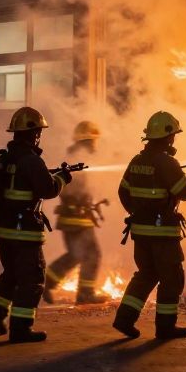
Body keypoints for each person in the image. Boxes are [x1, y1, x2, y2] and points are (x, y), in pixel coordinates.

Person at [0, 106, 71, 343]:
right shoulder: (32, 161)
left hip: (4, 231)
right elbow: (48, 189)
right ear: (34, 134)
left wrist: (4, 212)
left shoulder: (1, 160)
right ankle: (21, 329)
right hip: (25, 234)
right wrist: (63, 177)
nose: (39, 135)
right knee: (32, 279)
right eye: (39, 131)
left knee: (11, 274)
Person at [113, 111, 186, 340]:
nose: (174, 140)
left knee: (146, 274)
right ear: (168, 137)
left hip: (140, 233)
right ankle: (165, 328)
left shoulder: (137, 161)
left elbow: (123, 191)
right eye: (173, 135)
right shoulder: (167, 162)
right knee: (172, 278)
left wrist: (137, 213)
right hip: (163, 234)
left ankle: (124, 319)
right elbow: (184, 191)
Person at [43, 120, 108, 305]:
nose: (96, 145)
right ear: (86, 141)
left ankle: (47, 282)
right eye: (93, 141)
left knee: (75, 255)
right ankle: (85, 294)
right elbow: (76, 188)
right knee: (92, 254)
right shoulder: (80, 157)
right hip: (77, 217)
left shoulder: (75, 155)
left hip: (74, 216)